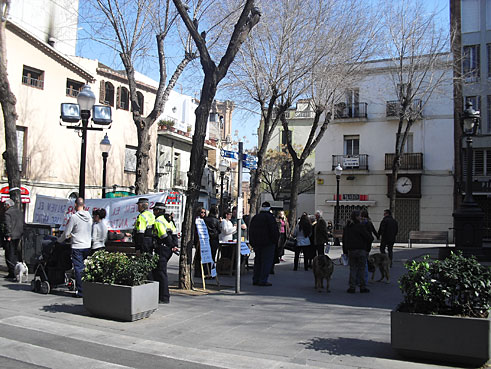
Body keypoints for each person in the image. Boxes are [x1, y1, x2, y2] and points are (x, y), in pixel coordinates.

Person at [58, 197, 92, 297]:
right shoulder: (89, 216)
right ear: (84, 205)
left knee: (78, 268)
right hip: (87, 245)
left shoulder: (74, 217)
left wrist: (59, 240)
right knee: (86, 268)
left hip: (77, 245)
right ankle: (87, 288)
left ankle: (80, 291)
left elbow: (67, 233)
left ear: (76, 205)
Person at [152, 202, 178, 304]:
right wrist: (174, 245)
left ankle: (164, 297)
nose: (153, 212)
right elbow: (175, 234)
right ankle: (161, 295)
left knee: (161, 273)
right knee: (159, 271)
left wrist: (171, 245)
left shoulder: (158, 220)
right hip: (168, 250)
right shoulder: (169, 220)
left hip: (162, 248)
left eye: (154, 210)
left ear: (158, 211)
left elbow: (163, 235)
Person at [249, 201, 280, 286]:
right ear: (269, 209)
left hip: (257, 243)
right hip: (268, 243)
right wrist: (275, 241)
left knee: (258, 261)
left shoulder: (255, 218)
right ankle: (263, 280)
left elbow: (251, 231)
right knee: (266, 262)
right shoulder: (270, 218)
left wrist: (252, 242)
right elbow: (274, 232)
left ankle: (256, 278)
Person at [342, 210, 373, 293]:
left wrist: (345, 251)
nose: (361, 217)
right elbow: (369, 238)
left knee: (353, 268)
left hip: (351, 250)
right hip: (361, 250)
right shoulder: (360, 226)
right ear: (356, 217)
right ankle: (362, 287)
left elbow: (344, 240)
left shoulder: (348, 227)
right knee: (361, 268)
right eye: (359, 216)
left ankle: (352, 287)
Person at [3, 199, 24, 280]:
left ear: (8, 205)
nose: (4, 206)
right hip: (18, 235)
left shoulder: (8, 213)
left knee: (9, 254)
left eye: (5, 205)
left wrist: (8, 235)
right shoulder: (19, 212)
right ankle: (16, 270)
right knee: (15, 252)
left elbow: (7, 225)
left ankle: (12, 271)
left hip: (11, 236)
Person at [359, 209, 378, 285]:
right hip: (367, 244)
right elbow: (373, 230)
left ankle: (361, 278)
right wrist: (377, 236)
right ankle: (365, 278)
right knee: (365, 259)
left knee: (361, 262)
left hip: (361, 244)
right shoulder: (369, 223)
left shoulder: (361, 223)